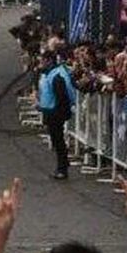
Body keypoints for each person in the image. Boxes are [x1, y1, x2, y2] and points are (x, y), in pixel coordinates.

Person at [38, 51, 76, 180]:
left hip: (55, 112)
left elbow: (62, 97)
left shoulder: (57, 76)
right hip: (50, 110)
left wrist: (60, 113)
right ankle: (63, 163)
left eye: (42, 60)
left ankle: (62, 168)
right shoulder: (49, 74)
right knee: (56, 140)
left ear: (49, 61)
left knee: (58, 140)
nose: (40, 63)